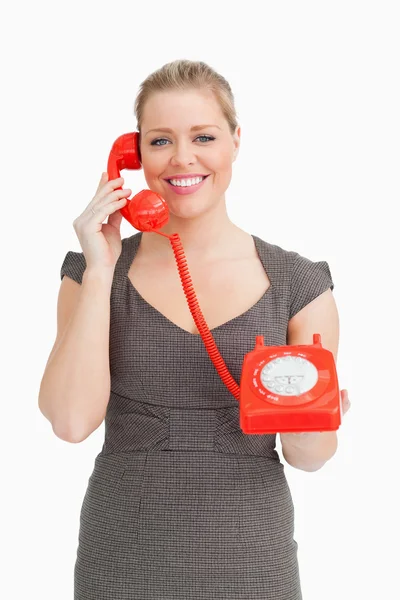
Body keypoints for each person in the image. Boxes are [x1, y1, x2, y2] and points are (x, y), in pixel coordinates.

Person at [39, 59, 351, 599]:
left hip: (250, 553)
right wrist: (101, 268)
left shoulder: (299, 284)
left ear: (234, 141)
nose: (182, 158)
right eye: (160, 141)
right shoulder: (93, 273)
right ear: (133, 154)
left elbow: (309, 457)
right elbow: (70, 421)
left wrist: (311, 420)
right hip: (125, 550)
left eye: (203, 136)